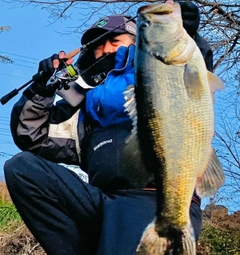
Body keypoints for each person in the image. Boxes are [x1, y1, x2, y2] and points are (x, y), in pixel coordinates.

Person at [4, 1, 213, 255]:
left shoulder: (159, 71)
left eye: (115, 41)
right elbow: (31, 135)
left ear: (139, 41)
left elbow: (191, 72)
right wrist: (41, 88)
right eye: (97, 47)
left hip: (154, 199)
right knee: (22, 169)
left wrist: (187, 32)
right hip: (101, 201)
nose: (104, 50)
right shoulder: (83, 104)